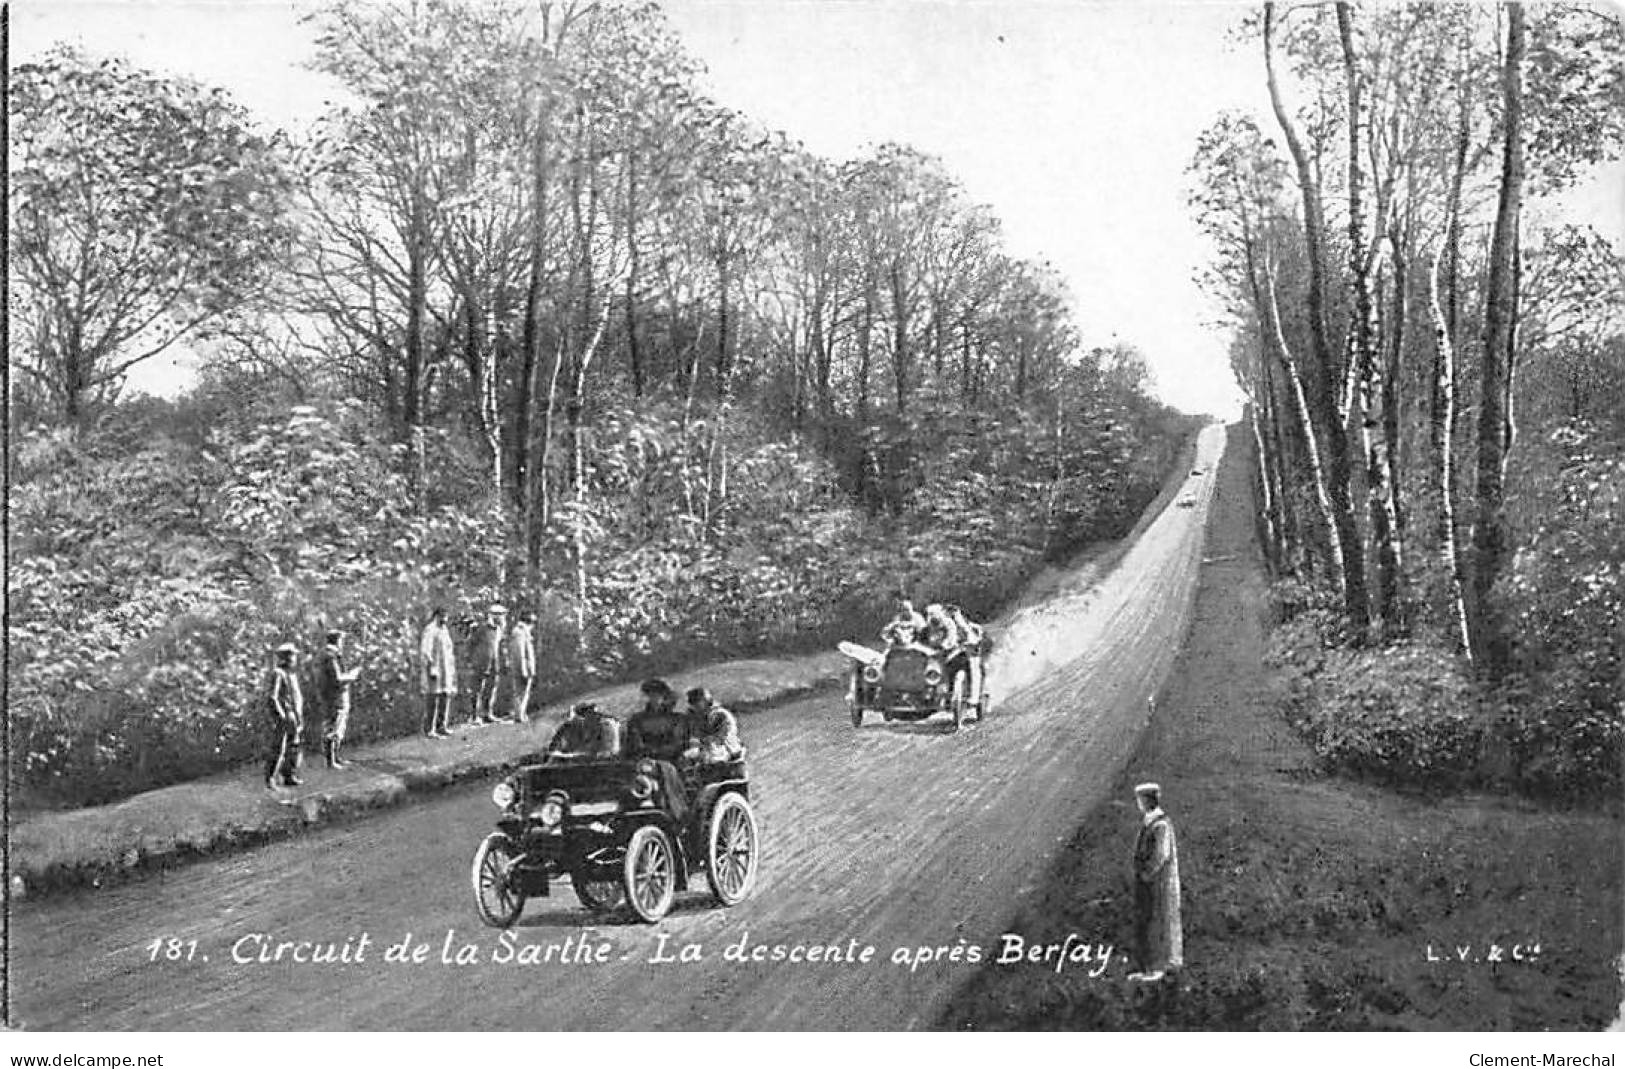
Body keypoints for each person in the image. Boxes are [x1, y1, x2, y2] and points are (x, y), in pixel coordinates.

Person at [1129, 782, 1183, 982]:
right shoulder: (1150, 822)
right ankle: (1150, 967)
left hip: (1158, 884)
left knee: (1160, 920)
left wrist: (1147, 873)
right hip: (1149, 883)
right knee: (1149, 921)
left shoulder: (1160, 824)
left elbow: (1161, 854)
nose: (1139, 804)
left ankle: (1161, 967)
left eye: (1140, 800)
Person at [626, 679, 690, 823]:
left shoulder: (678, 720)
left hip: (670, 761)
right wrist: (642, 752)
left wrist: (655, 753)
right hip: (641, 761)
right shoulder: (637, 720)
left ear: (666, 698)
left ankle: (674, 812)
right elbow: (634, 741)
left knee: (661, 769)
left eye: (658, 695)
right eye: (651, 695)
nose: (654, 699)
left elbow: (677, 744)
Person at [317, 629, 361, 769]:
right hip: (335, 697)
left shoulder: (331, 655)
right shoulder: (330, 656)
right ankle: (332, 761)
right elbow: (337, 679)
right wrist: (353, 675)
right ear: (337, 640)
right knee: (334, 727)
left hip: (335, 696)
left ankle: (336, 757)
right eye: (341, 640)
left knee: (337, 726)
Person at [264, 643, 305, 789]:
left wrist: (298, 716)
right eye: (292, 656)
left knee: (293, 746)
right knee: (278, 748)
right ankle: (270, 778)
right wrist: (280, 716)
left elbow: (295, 697)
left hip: (293, 715)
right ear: (286, 658)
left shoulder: (291, 674)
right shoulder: (278, 673)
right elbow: (272, 697)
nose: (294, 659)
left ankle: (288, 776)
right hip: (285, 715)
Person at [419, 607, 457, 738]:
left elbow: (448, 650)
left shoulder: (444, 630)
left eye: (446, 617)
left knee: (445, 696)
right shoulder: (430, 630)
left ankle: (442, 726)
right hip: (434, 669)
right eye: (442, 617)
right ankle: (429, 729)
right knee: (432, 698)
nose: (445, 619)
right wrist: (430, 667)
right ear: (436, 616)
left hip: (445, 668)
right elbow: (426, 651)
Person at [683, 687, 742, 766]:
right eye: (692, 702)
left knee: (713, 755)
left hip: (725, 749)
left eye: (698, 701)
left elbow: (726, 735)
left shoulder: (721, 715)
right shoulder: (692, 718)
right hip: (705, 749)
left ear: (706, 701)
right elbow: (691, 736)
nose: (695, 705)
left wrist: (708, 741)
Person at [546, 702, 623, 760]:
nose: (584, 721)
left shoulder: (606, 724)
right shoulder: (580, 727)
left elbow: (605, 752)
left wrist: (569, 756)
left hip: (606, 761)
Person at [473, 604, 508, 723]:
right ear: (493, 616)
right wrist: (474, 660)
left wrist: (503, 660)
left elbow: (500, 646)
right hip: (481, 663)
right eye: (499, 615)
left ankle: (488, 713)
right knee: (478, 689)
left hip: (494, 663)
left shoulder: (499, 630)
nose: (501, 618)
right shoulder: (482, 629)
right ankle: (475, 715)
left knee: (491, 688)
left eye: (502, 615)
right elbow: (471, 644)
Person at [945, 604, 985, 702]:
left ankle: (975, 696)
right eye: (949, 612)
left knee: (975, 670)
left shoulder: (971, 627)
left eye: (954, 612)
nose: (952, 615)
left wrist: (975, 643)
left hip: (970, 655)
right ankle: (948, 694)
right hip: (953, 656)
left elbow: (977, 638)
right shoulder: (945, 626)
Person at [508, 609, 537, 723]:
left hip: (526, 667)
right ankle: (519, 715)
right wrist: (523, 669)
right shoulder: (519, 632)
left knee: (524, 692)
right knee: (520, 692)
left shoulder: (524, 632)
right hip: (521, 667)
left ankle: (521, 713)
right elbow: (519, 652)